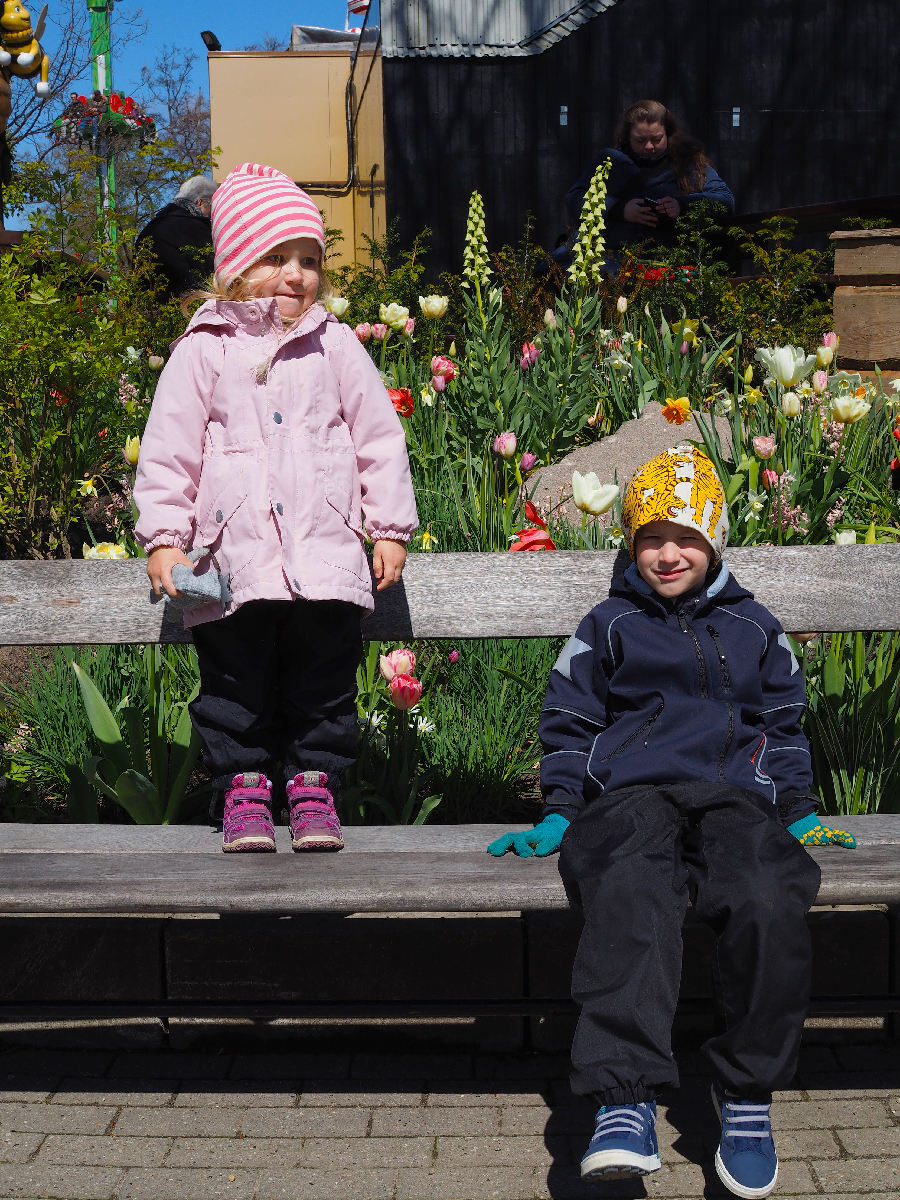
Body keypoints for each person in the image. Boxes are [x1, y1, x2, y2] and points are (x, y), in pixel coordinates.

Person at [488, 445, 856, 1198]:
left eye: (686, 537)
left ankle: (745, 1091)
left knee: (769, 896)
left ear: (714, 540)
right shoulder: (608, 624)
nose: (667, 553)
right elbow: (569, 721)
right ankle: (623, 1099)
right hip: (630, 798)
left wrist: (798, 811)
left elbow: (783, 727)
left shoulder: (756, 627)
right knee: (630, 894)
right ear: (630, 545)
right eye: (650, 537)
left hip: (734, 798)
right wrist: (560, 810)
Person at [133, 162, 417, 854]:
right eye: (276, 258)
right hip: (232, 560)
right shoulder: (204, 349)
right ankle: (243, 788)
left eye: (309, 260)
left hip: (325, 556)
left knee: (325, 684)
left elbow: (379, 437)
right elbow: (169, 450)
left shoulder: (334, 344)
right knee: (234, 684)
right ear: (234, 267)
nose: (296, 275)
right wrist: (165, 538)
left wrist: (387, 527)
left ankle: (316, 786)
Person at [564, 99, 734, 260]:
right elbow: (575, 198)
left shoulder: (688, 161)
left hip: (669, 254)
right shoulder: (610, 161)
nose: (649, 146)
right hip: (611, 252)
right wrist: (619, 209)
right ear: (628, 137)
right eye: (640, 140)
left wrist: (682, 205)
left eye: (656, 139)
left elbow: (725, 199)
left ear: (668, 134)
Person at [135, 176, 219, 300]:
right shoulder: (193, 226)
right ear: (200, 203)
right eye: (210, 210)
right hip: (184, 302)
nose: (210, 218)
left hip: (146, 302)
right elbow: (210, 272)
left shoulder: (153, 226)